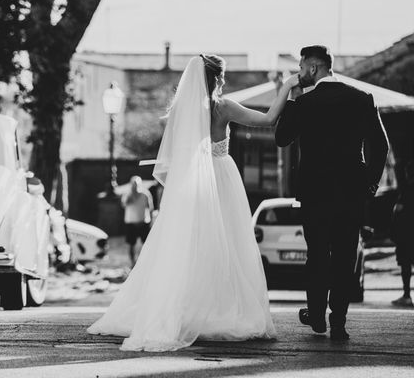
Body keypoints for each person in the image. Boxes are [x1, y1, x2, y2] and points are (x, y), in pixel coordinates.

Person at [87, 54, 299, 351]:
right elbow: (267, 119)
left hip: (192, 183)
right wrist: (287, 86)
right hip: (222, 178)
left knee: (190, 245)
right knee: (227, 243)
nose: (224, 81)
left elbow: (173, 154)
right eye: (222, 77)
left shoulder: (181, 111)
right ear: (216, 78)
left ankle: (183, 309)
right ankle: (217, 309)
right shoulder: (222, 107)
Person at [275, 45, 389, 341]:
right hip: (351, 193)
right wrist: (371, 184)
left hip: (314, 193)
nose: (299, 74)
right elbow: (381, 146)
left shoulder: (305, 102)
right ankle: (338, 321)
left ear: (313, 69)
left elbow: (281, 137)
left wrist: (290, 95)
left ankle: (316, 316)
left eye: (301, 68)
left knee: (317, 255)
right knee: (344, 256)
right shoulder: (362, 99)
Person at [391, 161, 414, 307]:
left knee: (406, 264)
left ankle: (407, 295)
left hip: (407, 234)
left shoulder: (407, 191)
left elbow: (398, 211)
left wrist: (394, 231)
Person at [121, 176, 154, 267]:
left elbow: (150, 208)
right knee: (131, 244)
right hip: (131, 223)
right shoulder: (128, 194)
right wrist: (131, 196)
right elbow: (124, 204)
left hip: (143, 222)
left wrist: (150, 221)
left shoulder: (145, 194)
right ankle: (132, 263)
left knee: (146, 244)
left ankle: (144, 261)